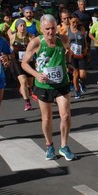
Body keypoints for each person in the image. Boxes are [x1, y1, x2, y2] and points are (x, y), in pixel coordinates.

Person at [21, 14, 77, 161]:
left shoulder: (63, 39)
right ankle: (49, 145)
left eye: (53, 28)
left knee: (65, 115)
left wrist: (68, 63)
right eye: (47, 29)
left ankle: (64, 146)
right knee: (47, 118)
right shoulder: (35, 43)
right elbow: (24, 63)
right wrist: (36, 74)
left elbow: (68, 52)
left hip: (61, 84)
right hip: (43, 85)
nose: (51, 32)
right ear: (41, 29)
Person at [10, 19, 35, 111]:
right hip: (18, 62)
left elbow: (36, 49)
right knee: (23, 81)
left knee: (30, 83)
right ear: (17, 27)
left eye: (24, 25)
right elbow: (10, 50)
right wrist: (9, 58)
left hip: (29, 62)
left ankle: (28, 89)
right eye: (20, 25)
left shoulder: (31, 36)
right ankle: (27, 102)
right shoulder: (13, 37)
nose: (23, 27)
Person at [68, 17, 89, 99]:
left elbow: (85, 40)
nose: (75, 24)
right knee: (75, 74)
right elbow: (65, 42)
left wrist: (86, 48)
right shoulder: (67, 30)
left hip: (81, 54)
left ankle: (81, 82)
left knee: (82, 75)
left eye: (76, 22)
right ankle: (77, 91)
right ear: (70, 22)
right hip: (72, 55)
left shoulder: (81, 29)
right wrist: (68, 51)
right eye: (73, 22)